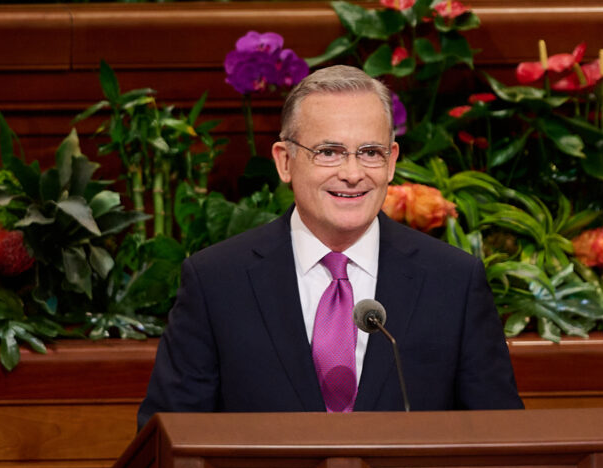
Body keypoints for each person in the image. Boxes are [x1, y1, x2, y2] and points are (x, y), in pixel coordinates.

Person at [137, 65, 523, 429]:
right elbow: (167, 442)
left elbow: (502, 439)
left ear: (391, 163)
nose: (352, 174)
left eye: (369, 153)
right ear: (285, 162)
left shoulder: (453, 282)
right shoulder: (217, 282)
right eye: (329, 152)